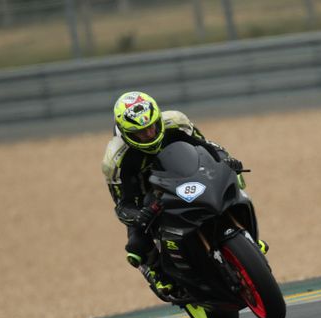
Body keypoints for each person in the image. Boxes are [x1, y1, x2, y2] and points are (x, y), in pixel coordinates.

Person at [102, 91, 267, 299]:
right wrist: (139, 215)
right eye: (141, 132)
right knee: (136, 246)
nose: (150, 134)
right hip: (149, 198)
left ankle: (249, 241)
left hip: (187, 176)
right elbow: (122, 205)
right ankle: (158, 273)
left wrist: (226, 160)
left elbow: (208, 147)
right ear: (126, 134)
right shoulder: (115, 159)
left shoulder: (176, 122)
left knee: (234, 186)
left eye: (152, 126)